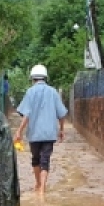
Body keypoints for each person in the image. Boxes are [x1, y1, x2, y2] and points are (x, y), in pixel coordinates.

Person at [15, 64, 68, 195]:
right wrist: (61, 129)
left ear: (33, 78)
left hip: (34, 133)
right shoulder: (53, 92)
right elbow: (61, 114)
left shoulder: (30, 92)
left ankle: (38, 184)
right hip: (50, 133)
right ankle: (43, 188)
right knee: (45, 160)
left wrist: (19, 131)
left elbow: (26, 115)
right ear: (45, 78)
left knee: (35, 159)